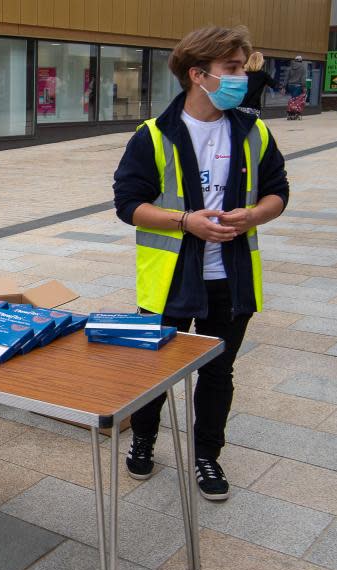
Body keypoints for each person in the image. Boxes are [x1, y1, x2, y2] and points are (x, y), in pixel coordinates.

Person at [112, 26, 289, 501]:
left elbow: (278, 193)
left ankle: (207, 456)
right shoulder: (153, 135)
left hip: (229, 280)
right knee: (152, 369)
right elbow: (128, 203)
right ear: (198, 74)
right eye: (232, 69)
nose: (241, 79)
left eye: (242, 69)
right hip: (168, 279)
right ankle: (145, 439)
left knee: (217, 372)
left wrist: (253, 214)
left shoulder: (254, 131)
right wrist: (185, 220)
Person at [239, 51, 280, 116]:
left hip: (238, 107)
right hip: (253, 108)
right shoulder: (263, 75)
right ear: (261, 62)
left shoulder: (242, 73)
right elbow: (274, 85)